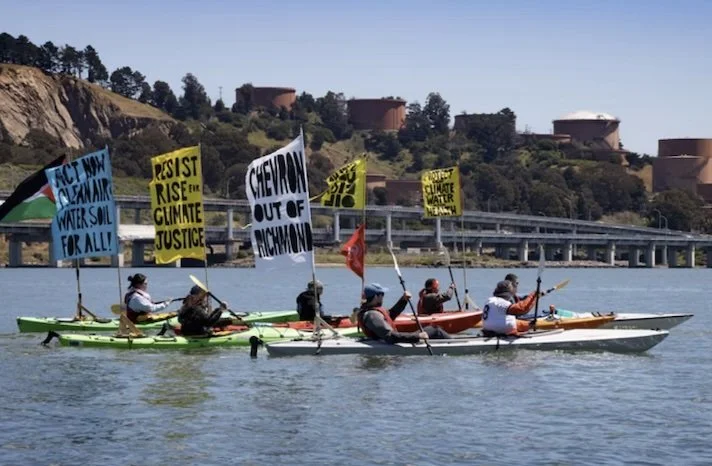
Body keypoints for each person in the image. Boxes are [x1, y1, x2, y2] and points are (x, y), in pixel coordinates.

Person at [357, 283, 452, 344]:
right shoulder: (372, 315)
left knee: (431, 329)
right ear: (375, 297)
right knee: (435, 330)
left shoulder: (372, 311)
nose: (383, 297)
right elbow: (390, 336)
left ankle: (449, 342)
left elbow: (391, 315)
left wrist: (403, 300)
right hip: (390, 342)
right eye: (382, 295)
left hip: (389, 339)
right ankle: (453, 344)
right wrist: (417, 336)